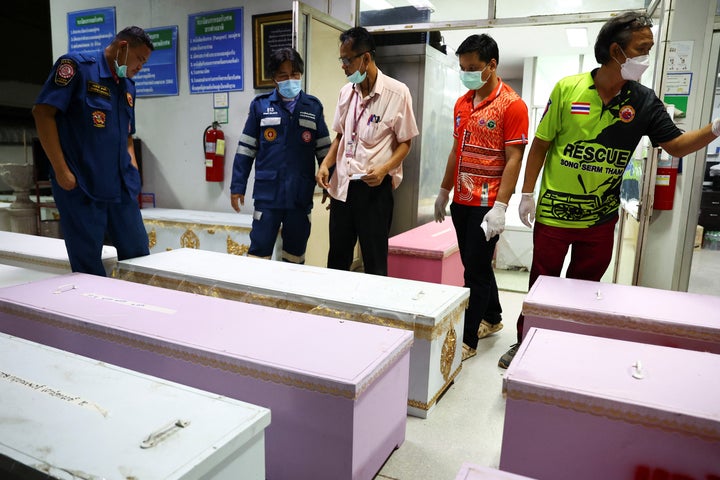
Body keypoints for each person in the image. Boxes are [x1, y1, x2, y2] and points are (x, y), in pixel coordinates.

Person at [498, 11, 720, 369]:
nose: (647, 58)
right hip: (555, 213)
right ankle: (526, 341)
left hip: (599, 220)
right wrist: (526, 194)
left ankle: (569, 345)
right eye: (642, 49)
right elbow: (539, 145)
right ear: (616, 51)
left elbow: (676, 146)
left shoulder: (644, 102)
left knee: (586, 289)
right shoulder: (568, 88)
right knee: (543, 284)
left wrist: (715, 127)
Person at [434, 34, 529, 361]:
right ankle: (493, 317)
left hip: (488, 204)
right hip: (461, 200)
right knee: (476, 263)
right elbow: (456, 149)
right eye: (462, 68)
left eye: (473, 67)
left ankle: (469, 337)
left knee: (473, 272)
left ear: (491, 65)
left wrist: (501, 207)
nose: (467, 73)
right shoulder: (462, 103)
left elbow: (514, 158)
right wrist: (444, 191)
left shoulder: (512, 104)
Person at [32, 26, 154, 276]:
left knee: (139, 255)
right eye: (140, 59)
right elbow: (43, 113)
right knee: (88, 265)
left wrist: (133, 173)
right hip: (82, 183)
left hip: (120, 186)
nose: (141, 67)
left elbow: (128, 136)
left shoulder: (127, 86)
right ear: (123, 47)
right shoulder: (76, 68)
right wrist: (61, 171)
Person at [316, 26, 419, 275]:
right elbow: (340, 136)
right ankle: (335, 311)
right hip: (342, 189)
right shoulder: (345, 93)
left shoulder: (397, 93)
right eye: (341, 59)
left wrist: (384, 169)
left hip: (374, 188)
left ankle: (374, 313)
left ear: (365, 58)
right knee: (337, 261)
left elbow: (406, 142)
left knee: (374, 262)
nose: (343, 66)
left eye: (347, 60)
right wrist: (326, 164)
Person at [231, 48, 331, 263]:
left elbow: (325, 150)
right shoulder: (260, 106)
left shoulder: (313, 106)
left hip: (300, 195)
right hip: (268, 195)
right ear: (274, 78)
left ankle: (290, 295)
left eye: (295, 75)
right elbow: (246, 149)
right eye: (283, 76)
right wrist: (237, 187)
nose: (290, 80)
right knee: (258, 254)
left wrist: (330, 183)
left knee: (295, 256)